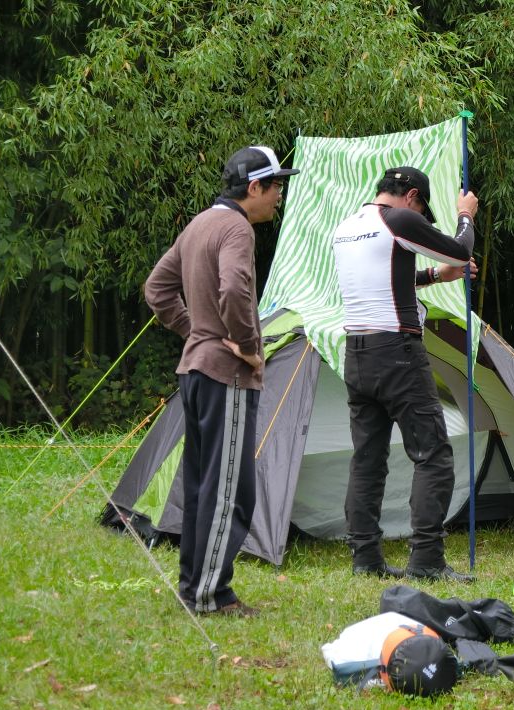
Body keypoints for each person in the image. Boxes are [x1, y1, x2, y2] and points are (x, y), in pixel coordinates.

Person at [144, 145, 299, 616]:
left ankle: (195, 586)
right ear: (254, 187)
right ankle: (211, 594)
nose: (279, 195)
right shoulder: (236, 228)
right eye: (276, 186)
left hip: (195, 371)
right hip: (225, 375)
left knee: (203, 485)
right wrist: (247, 346)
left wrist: (196, 332)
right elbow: (233, 287)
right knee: (230, 490)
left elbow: (157, 289)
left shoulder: (199, 223)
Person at [333, 166, 479, 583]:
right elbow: (460, 251)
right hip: (397, 352)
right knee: (433, 454)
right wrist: (465, 214)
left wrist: (434, 275)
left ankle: (365, 558)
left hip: (356, 353)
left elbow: (385, 278)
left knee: (367, 459)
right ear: (412, 196)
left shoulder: (347, 227)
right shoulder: (398, 219)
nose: (420, 219)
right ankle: (427, 560)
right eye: (421, 211)